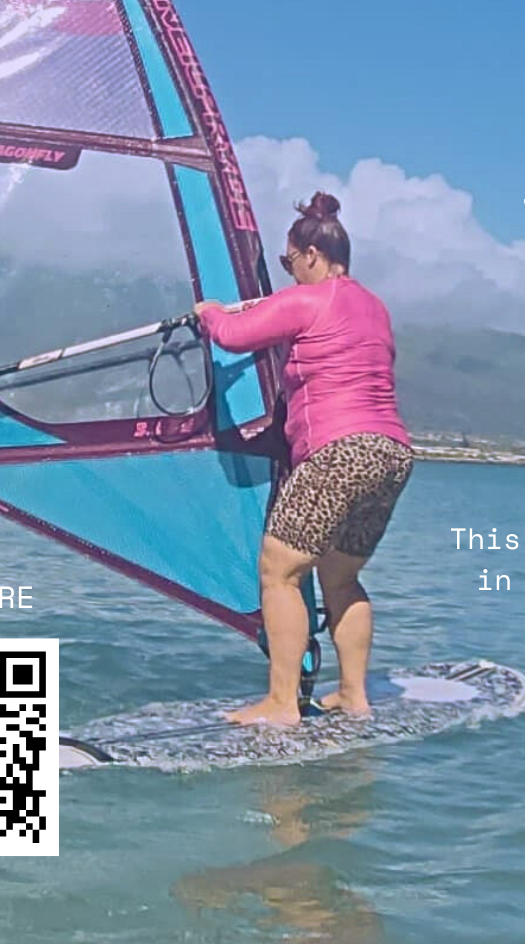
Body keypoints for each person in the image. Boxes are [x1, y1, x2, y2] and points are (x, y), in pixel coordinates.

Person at [196, 192, 413, 726]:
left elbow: (234, 335)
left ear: (312, 255)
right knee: (340, 578)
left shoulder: (310, 299)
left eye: (288, 262)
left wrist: (210, 312)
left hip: (339, 451)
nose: (289, 272)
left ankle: (280, 703)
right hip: (391, 453)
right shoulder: (375, 307)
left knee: (279, 570)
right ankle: (354, 695)